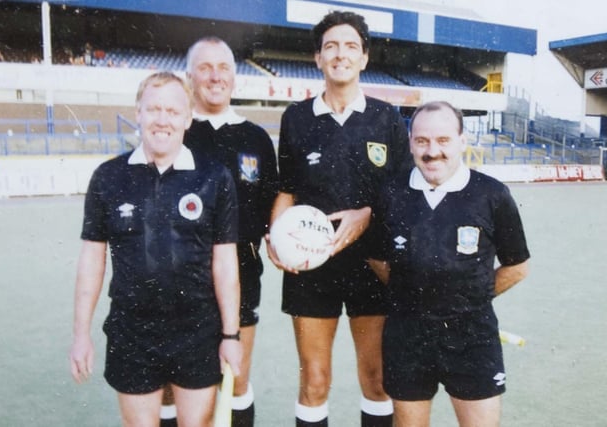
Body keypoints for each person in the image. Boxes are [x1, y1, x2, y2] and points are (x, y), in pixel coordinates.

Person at [69, 71, 243, 427]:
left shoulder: (214, 177)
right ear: (138, 113)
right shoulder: (108, 176)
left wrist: (230, 335)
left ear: (188, 118)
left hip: (198, 330)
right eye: (153, 109)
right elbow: (92, 260)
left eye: (173, 111)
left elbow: (225, 264)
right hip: (131, 332)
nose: (162, 120)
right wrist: (81, 334)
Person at [265, 11, 412, 427]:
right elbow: (287, 190)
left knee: (377, 379)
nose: (340, 54)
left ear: (364, 58)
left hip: (375, 264)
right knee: (314, 380)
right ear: (317, 58)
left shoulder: (387, 118)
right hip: (313, 267)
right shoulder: (295, 118)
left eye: (350, 46)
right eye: (331, 46)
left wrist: (366, 215)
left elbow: (404, 195)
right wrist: (277, 238)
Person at [371, 101, 530, 426]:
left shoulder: (492, 194)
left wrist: (468, 296)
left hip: (472, 337)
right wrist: (417, 293)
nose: (432, 152)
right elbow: (377, 258)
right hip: (407, 336)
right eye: (422, 141)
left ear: (462, 140)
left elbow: (517, 266)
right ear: (410, 142)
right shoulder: (391, 193)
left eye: (443, 140)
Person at [158, 36, 279, 427]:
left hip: (241, 277)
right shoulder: (175, 133)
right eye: (205, 67)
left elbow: (270, 212)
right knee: (170, 386)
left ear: (235, 76)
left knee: (236, 378)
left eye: (223, 67)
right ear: (189, 76)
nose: (215, 76)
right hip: (178, 279)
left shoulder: (257, 139)